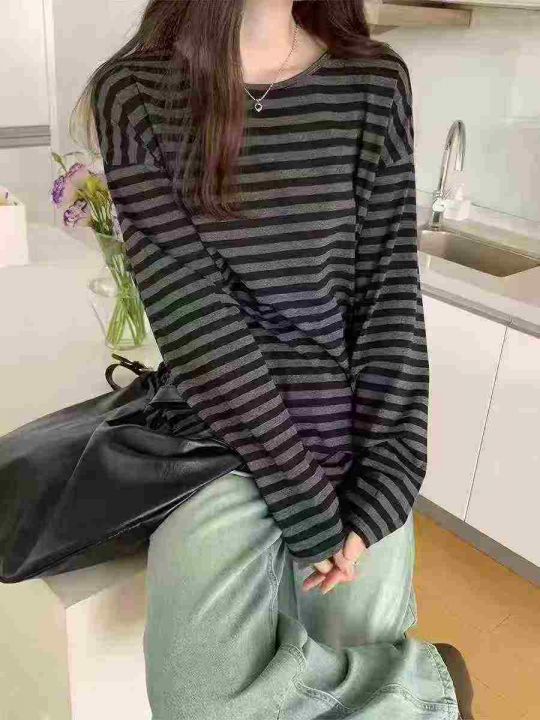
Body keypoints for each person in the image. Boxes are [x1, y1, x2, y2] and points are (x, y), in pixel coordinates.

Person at [73, 0, 474, 717]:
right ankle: (430, 689)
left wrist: (389, 474)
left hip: (354, 445)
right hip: (217, 440)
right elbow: (195, 319)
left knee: (358, 646)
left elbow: (389, 299)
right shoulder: (133, 94)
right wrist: (304, 502)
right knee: (197, 701)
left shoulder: (372, 83)